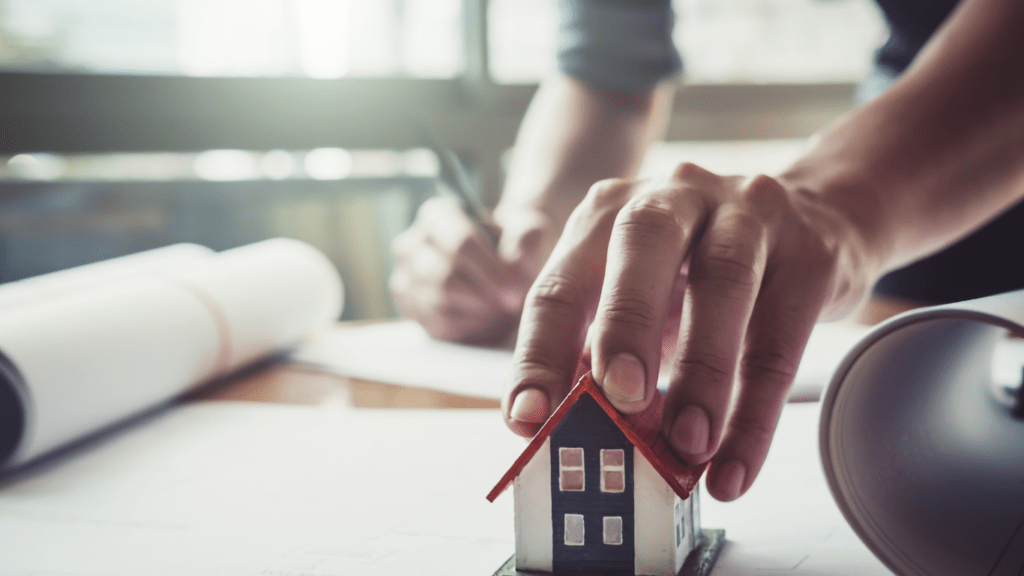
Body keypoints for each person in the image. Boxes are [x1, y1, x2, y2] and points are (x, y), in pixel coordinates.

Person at [389, 0, 1024, 502]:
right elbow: (608, 68)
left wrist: (831, 208)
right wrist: (531, 237)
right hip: (924, 200)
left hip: (942, 145)